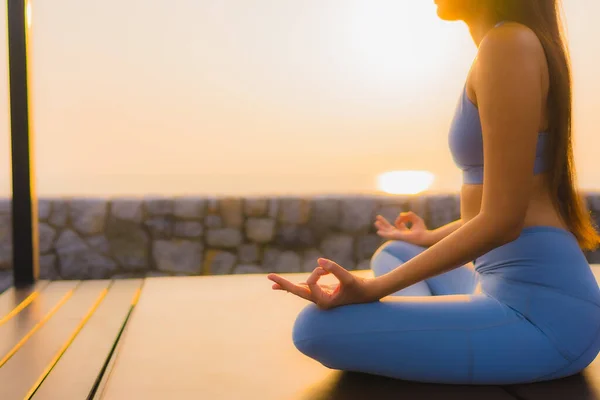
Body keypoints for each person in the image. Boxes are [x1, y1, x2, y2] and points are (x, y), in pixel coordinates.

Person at [267, 0, 600, 385]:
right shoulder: (505, 43)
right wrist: (428, 238)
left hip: (547, 320)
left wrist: (371, 290)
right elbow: (496, 211)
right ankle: (442, 324)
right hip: (490, 282)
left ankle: (437, 325)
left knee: (314, 330)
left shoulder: (510, 44)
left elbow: (503, 221)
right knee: (396, 251)